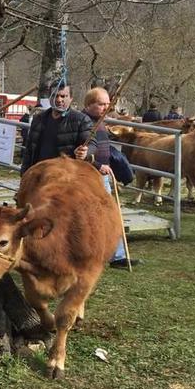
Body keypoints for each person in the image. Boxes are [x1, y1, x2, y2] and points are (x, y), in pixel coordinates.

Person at [82, 88, 141, 269]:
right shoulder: (82, 122)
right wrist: (98, 165)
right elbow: (80, 151)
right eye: (101, 104)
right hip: (88, 176)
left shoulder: (100, 122)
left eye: (108, 104)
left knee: (110, 215)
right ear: (88, 105)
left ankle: (118, 256)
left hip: (102, 176)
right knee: (95, 216)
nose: (106, 107)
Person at [20, 84, 95, 175]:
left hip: (65, 176)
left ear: (71, 98)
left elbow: (92, 144)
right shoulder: (38, 119)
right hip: (39, 173)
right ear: (50, 98)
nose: (59, 100)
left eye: (63, 96)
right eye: (55, 96)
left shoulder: (81, 120)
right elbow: (29, 150)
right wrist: (24, 174)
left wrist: (86, 152)